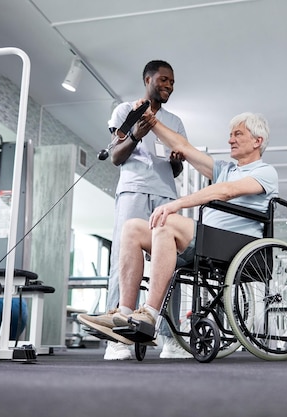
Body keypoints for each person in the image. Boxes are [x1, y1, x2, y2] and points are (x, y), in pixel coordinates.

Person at [78, 107, 278, 345]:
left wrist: (176, 204)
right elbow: (182, 147)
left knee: (167, 220)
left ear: (258, 141)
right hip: (206, 241)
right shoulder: (225, 169)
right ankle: (125, 312)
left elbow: (226, 191)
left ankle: (149, 314)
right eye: (231, 134)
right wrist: (151, 120)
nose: (230, 139)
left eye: (237, 134)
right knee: (131, 227)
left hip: (232, 244)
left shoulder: (265, 171)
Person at [93, 60, 190, 360]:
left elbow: (175, 170)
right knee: (122, 260)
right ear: (147, 79)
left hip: (165, 195)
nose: (169, 86)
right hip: (133, 190)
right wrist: (136, 133)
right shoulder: (125, 111)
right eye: (163, 79)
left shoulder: (175, 122)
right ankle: (118, 338)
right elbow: (116, 157)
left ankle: (169, 338)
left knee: (169, 264)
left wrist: (176, 160)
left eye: (172, 82)